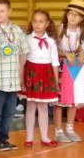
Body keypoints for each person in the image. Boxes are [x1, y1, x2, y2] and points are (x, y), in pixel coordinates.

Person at [0, 0, 30, 151]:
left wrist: (21, 76)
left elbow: (22, 54)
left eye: (2, 11)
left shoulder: (17, 31)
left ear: (10, 11)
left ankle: (4, 138)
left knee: (9, 112)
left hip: (12, 80)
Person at [23, 10, 60, 147]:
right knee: (31, 106)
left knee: (43, 107)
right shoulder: (26, 39)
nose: (37, 24)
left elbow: (55, 62)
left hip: (46, 75)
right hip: (31, 74)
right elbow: (22, 60)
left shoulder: (51, 42)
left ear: (47, 24)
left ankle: (45, 137)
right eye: (35, 21)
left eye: (41, 21)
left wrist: (55, 82)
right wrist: (21, 79)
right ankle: (29, 138)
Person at [54, 0, 84, 143]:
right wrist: (65, 54)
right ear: (66, 14)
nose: (73, 17)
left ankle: (70, 128)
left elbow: (77, 46)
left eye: (77, 15)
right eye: (70, 13)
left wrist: (82, 52)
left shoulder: (81, 30)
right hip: (62, 67)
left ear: (82, 18)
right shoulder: (61, 29)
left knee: (73, 100)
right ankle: (58, 130)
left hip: (74, 67)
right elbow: (53, 49)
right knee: (60, 101)